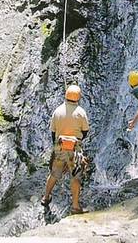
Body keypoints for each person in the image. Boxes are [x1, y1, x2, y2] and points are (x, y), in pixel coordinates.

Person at [41, 84, 90, 214]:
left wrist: (56, 146)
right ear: (78, 97)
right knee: (76, 176)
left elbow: (53, 131)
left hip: (60, 146)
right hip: (74, 148)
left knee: (54, 174)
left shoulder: (57, 111)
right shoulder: (81, 112)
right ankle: (75, 206)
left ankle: (46, 197)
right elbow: (85, 131)